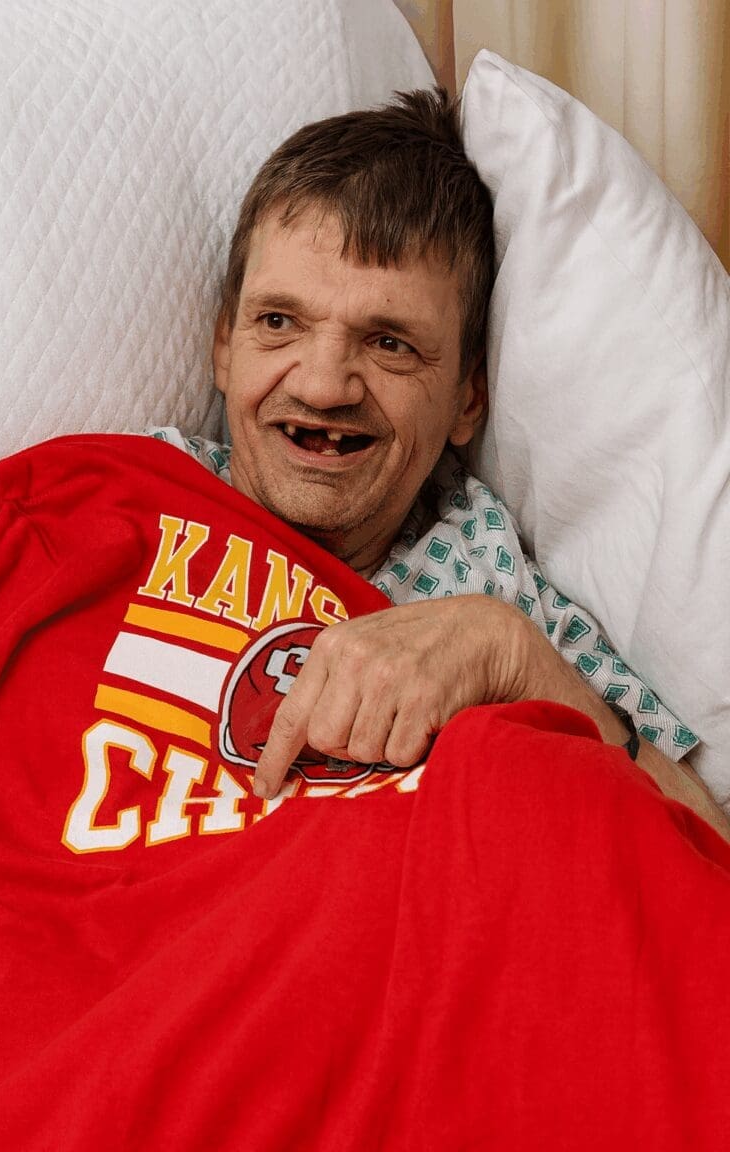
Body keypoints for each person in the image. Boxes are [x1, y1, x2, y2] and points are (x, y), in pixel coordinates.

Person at [152, 88, 728, 838]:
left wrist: (512, 657)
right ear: (224, 346)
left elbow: (705, 845)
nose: (323, 386)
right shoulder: (121, 496)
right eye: (279, 321)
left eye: (389, 342)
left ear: (467, 400)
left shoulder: (490, 583)